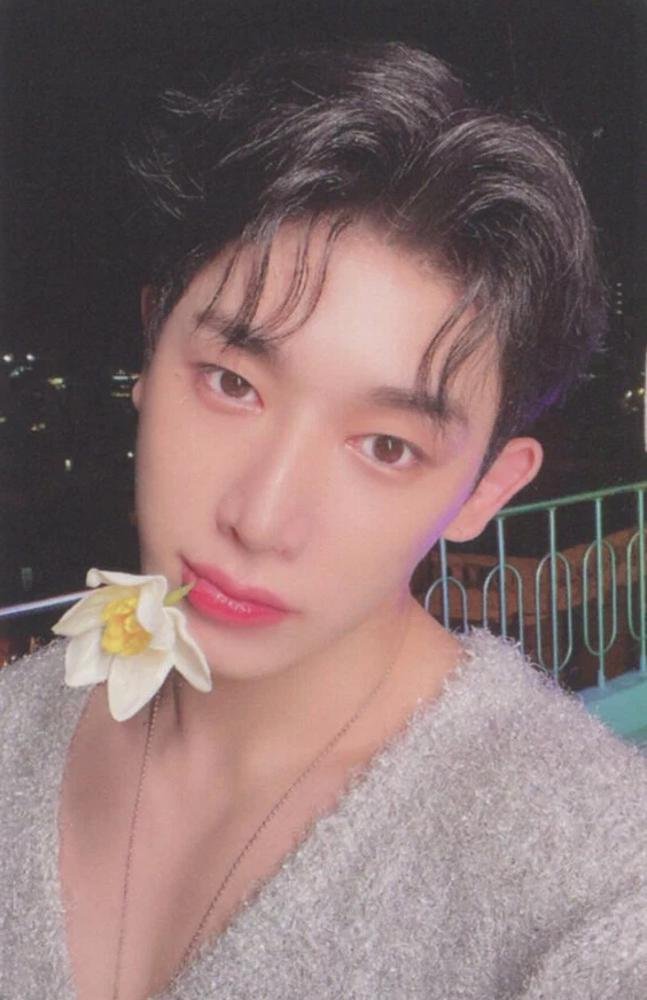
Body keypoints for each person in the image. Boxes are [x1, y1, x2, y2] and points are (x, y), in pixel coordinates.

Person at [1, 41, 646, 1000]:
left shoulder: (590, 878)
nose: (261, 519)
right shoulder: (20, 728)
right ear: (151, 346)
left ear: (484, 490)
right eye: (232, 383)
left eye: (386, 446)